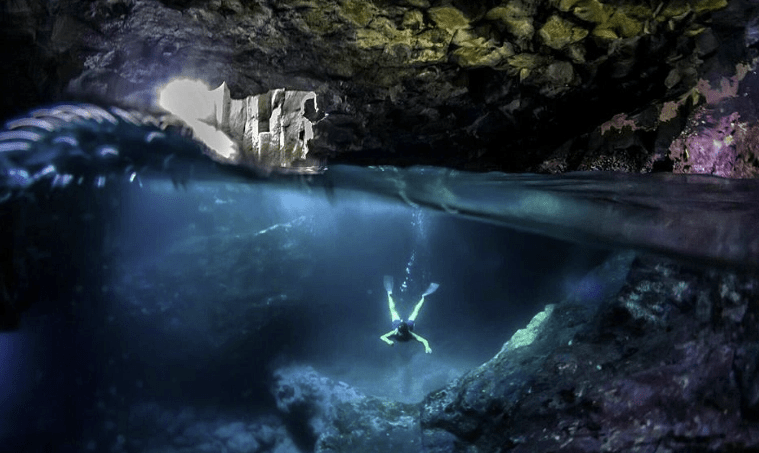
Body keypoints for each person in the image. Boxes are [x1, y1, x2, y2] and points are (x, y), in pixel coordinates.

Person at [379, 275, 439, 354]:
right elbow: (382, 337)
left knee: (404, 311)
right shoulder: (396, 332)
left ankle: (423, 297)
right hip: (400, 325)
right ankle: (389, 295)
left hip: (405, 325)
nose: (400, 334)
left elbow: (423, 340)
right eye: (400, 332)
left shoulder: (409, 334)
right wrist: (388, 341)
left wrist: (427, 347)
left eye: (401, 333)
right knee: (403, 311)